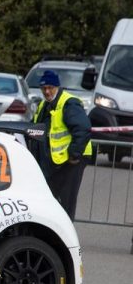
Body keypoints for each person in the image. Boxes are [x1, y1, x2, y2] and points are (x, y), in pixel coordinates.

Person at [33, 70, 92, 220]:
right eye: (44, 88)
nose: (47, 91)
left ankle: (66, 240)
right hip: (56, 162)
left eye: (50, 87)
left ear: (57, 87)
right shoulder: (43, 105)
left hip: (72, 161)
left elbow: (83, 128)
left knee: (66, 203)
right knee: (51, 201)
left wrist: (74, 154)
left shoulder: (69, 103)